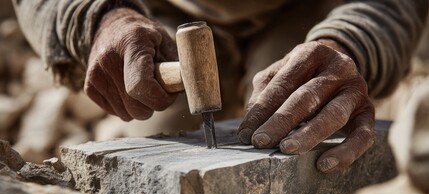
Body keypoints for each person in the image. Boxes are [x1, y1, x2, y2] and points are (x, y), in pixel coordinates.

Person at [12, 0, 428, 173]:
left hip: (309, 9)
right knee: (160, 152)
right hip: (162, 14)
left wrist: (353, 39)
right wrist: (95, 17)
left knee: (303, 137)